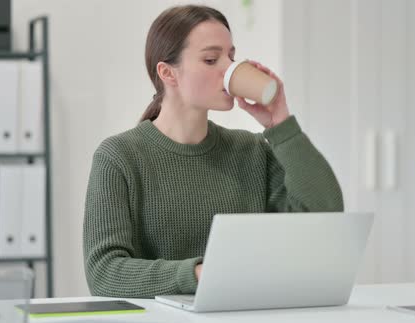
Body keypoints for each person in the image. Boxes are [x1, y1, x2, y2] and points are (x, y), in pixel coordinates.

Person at [83, 4, 343, 298]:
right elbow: (103, 272)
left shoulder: (251, 151)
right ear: (168, 73)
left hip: (241, 319)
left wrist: (281, 125)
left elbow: (325, 216)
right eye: (211, 59)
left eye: (231, 57)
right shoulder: (119, 157)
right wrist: (199, 274)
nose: (229, 69)